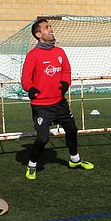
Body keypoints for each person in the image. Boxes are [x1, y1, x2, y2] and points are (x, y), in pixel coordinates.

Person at [20, 18, 94, 180]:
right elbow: (25, 78)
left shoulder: (59, 52)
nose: (51, 29)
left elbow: (66, 71)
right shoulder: (33, 55)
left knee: (72, 130)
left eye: (50, 26)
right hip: (42, 106)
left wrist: (65, 83)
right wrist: (30, 88)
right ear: (38, 34)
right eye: (47, 27)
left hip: (60, 102)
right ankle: (32, 165)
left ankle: (75, 160)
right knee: (43, 138)